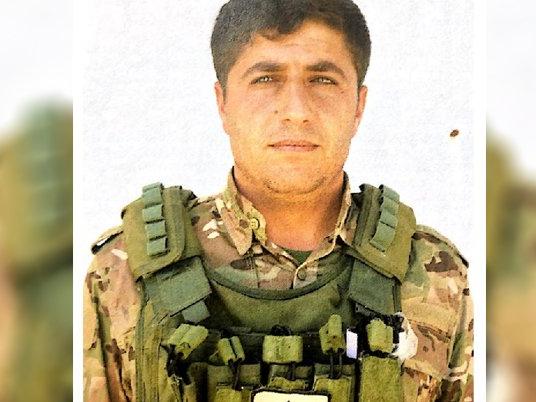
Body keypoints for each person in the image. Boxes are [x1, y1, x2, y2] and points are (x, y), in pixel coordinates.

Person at [84, 0, 473, 400]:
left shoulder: (434, 277)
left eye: (322, 80)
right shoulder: (122, 276)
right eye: (266, 78)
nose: (296, 111)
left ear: (358, 106)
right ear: (223, 103)